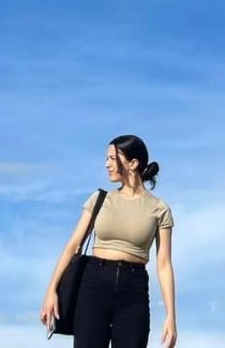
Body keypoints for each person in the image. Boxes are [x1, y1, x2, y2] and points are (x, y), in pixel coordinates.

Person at [40, 135, 177, 348]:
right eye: (107, 158)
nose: (107, 164)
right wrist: (51, 290)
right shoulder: (100, 200)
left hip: (134, 292)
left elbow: (164, 264)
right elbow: (73, 245)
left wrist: (171, 316)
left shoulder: (159, 209)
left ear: (133, 164)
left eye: (113, 158)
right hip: (93, 286)